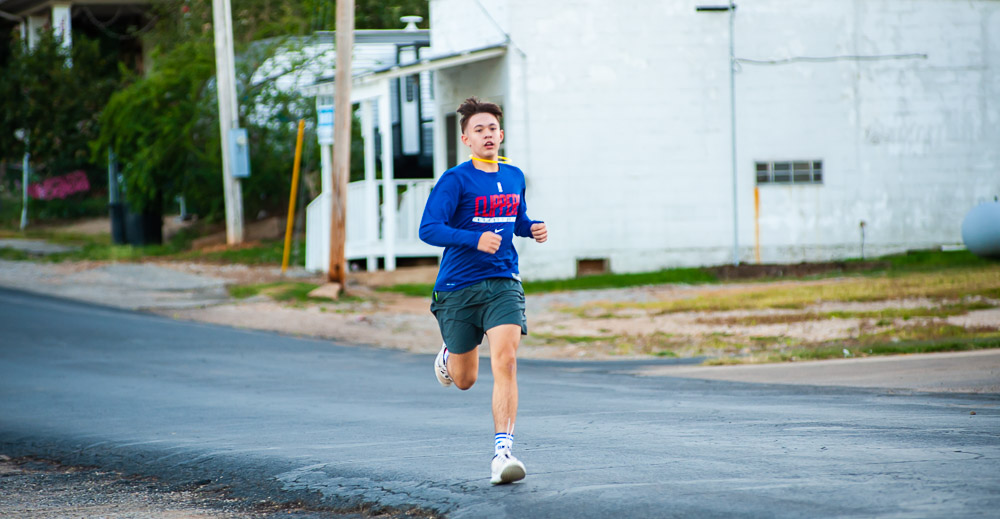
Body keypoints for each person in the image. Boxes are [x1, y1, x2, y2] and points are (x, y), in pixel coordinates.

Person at [418, 97, 548, 485]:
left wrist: (531, 227)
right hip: (458, 287)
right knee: (465, 379)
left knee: (506, 361)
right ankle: (448, 355)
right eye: (479, 129)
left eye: (492, 128)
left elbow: (515, 218)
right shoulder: (454, 180)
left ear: (501, 135)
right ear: (466, 139)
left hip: (504, 281)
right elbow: (429, 229)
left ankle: (502, 453)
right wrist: (474, 240)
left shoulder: (514, 176)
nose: (487, 134)